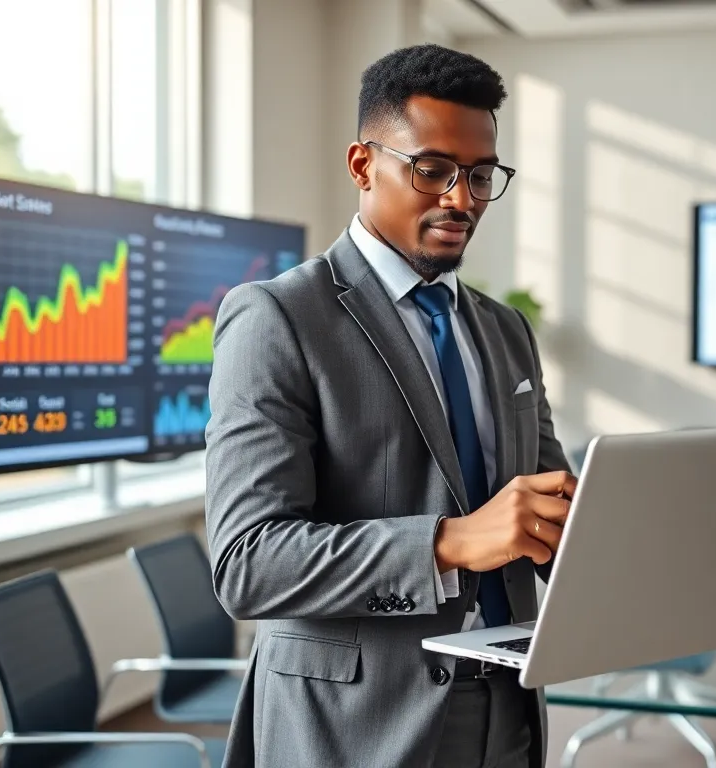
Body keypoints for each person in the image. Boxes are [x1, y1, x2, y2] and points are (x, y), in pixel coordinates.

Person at [204, 43, 577, 768]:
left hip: (505, 709)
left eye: (478, 176)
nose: (461, 199)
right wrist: (449, 541)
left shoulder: (505, 330)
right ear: (361, 164)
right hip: (354, 726)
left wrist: (612, 539)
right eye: (432, 170)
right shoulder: (277, 318)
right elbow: (249, 563)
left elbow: (547, 517)